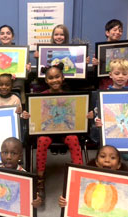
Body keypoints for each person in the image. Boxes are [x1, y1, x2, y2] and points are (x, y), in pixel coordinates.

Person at [91, 59, 128, 175]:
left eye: (124, 74)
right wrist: (97, 120)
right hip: (111, 136)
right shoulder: (104, 95)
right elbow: (97, 113)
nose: (120, 77)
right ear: (110, 75)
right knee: (107, 158)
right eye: (117, 73)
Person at [35, 63, 84, 202]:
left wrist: (85, 116)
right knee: (42, 141)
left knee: (74, 139)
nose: (54, 80)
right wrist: (29, 115)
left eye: (57, 77)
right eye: (50, 78)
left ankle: (79, 176)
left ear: (62, 78)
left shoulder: (69, 96)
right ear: (46, 80)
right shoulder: (40, 97)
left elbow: (75, 115)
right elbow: (38, 117)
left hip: (65, 130)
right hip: (48, 131)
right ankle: (40, 179)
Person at [92, 19, 128, 90]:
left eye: (120, 31)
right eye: (115, 30)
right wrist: (95, 65)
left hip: (124, 86)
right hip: (106, 85)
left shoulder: (126, 50)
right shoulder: (100, 50)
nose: (118, 32)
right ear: (107, 33)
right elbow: (96, 73)